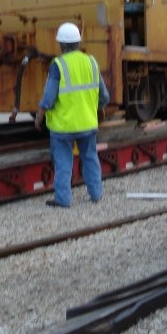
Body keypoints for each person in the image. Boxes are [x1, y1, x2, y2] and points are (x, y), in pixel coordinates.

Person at [34, 22, 109, 208]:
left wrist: (39, 117)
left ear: (61, 44)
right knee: (90, 157)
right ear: (78, 42)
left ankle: (63, 199)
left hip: (63, 127)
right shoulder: (91, 61)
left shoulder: (58, 65)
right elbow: (105, 96)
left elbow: (49, 98)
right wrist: (97, 109)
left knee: (63, 162)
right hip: (87, 124)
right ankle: (96, 194)